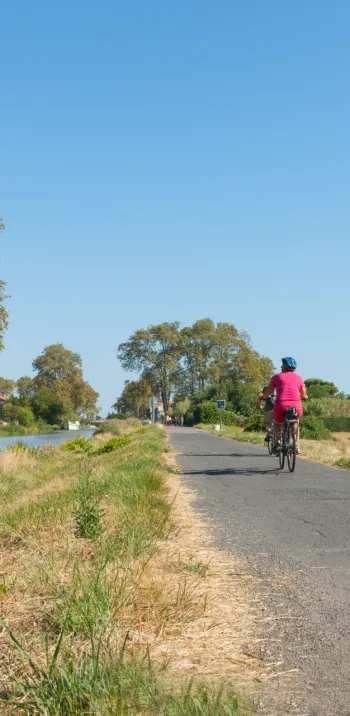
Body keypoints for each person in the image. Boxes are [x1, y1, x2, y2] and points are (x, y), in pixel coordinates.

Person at [258, 357, 308, 454]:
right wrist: (305, 397)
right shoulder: (299, 378)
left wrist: (262, 396)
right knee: (296, 422)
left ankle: (278, 442)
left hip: (281, 405)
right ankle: (296, 446)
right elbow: (303, 394)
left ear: (284, 367)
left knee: (277, 423)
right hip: (296, 406)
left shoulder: (277, 377)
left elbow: (268, 392)